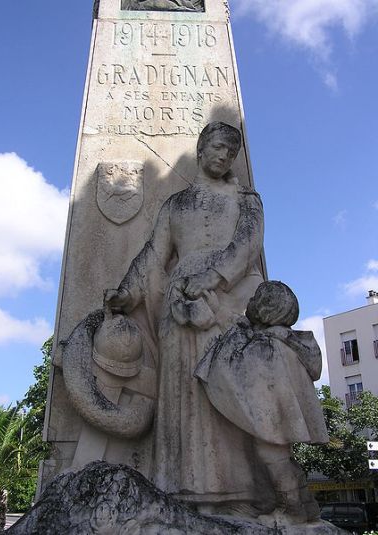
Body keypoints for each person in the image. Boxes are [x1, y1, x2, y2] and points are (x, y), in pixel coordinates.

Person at [105, 122, 267, 513]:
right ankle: (183, 492)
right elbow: (153, 255)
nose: (224, 155)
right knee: (184, 395)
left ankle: (239, 495)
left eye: (231, 151)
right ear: (200, 149)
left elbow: (248, 246)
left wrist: (214, 278)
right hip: (180, 305)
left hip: (227, 302)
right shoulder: (176, 205)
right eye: (217, 147)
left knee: (225, 394)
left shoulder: (247, 200)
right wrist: (127, 292)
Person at [195, 281, 329, 523]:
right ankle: (305, 505)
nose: (251, 301)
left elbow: (238, 365)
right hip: (280, 416)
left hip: (273, 418)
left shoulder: (268, 344)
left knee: (274, 459)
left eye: (257, 297)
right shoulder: (280, 339)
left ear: (267, 309)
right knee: (281, 459)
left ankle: (292, 510)